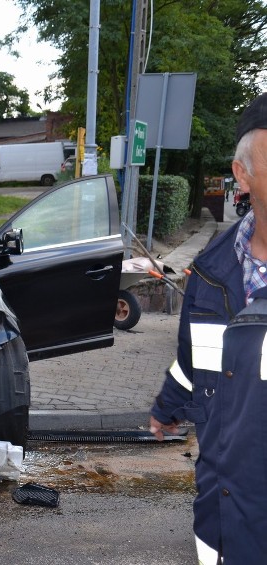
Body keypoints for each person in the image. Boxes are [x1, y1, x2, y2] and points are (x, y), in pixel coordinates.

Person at [149, 92, 267, 564]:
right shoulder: (209, 272)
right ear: (243, 174)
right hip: (221, 511)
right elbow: (195, 360)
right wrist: (168, 407)